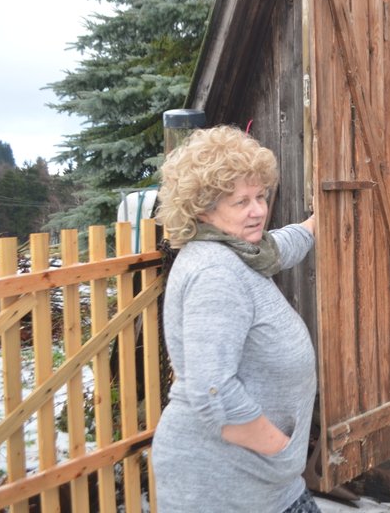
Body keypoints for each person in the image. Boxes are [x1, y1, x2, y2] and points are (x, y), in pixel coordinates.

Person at [153, 124, 321, 513]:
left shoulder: (237, 251)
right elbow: (212, 390)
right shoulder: (216, 274)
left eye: (261, 196)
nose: (259, 210)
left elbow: (276, 247)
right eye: (241, 202)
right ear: (203, 208)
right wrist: (279, 450)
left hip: (264, 481)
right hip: (221, 483)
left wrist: (315, 225)